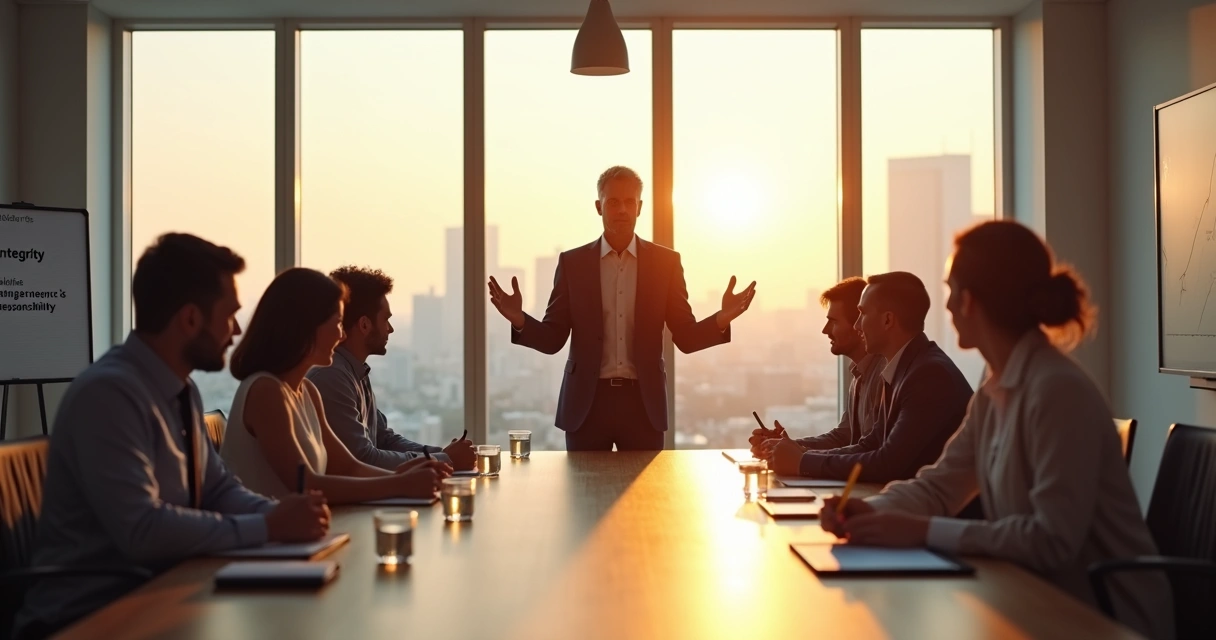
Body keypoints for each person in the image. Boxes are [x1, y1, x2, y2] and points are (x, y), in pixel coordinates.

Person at [820, 221, 1173, 640]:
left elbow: (1051, 540)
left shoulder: (1056, 390)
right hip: (1032, 598)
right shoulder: (996, 388)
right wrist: (872, 510)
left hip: (1101, 617)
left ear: (970, 301)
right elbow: (940, 487)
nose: (945, 308)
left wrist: (921, 530)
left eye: (951, 291)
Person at [13, 234, 330, 639]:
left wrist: (278, 513)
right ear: (191, 319)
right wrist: (269, 528)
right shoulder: (108, 395)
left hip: (164, 592)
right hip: (89, 616)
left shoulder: (181, 390)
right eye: (229, 314)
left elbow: (218, 490)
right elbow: (142, 530)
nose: (235, 330)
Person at [487, 165, 756, 451]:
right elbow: (553, 338)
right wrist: (519, 320)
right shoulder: (573, 264)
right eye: (613, 202)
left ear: (640, 207)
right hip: (586, 408)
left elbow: (686, 338)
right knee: (586, 494)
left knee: (645, 496)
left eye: (629, 202)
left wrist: (722, 319)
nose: (622, 209)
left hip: (643, 406)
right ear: (598, 206)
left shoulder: (666, 264)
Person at [220, 268, 450, 503]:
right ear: (307, 326)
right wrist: (400, 482)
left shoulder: (307, 392)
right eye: (338, 323)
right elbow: (306, 484)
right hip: (272, 537)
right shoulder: (265, 391)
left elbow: (350, 467)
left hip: (301, 533)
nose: (342, 336)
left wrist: (406, 476)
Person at [769, 272, 973, 483]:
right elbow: (870, 445)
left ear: (887, 320)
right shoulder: (903, 369)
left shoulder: (928, 375)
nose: (857, 326)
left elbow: (888, 463)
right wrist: (802, 456)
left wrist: (803, 462)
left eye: (862, 314)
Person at [308, 266, 476, 471]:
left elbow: (384, 438)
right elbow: (363, 459)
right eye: (386, 319)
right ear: (364, 325)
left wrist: (441, 454)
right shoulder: (332, 376)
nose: (391, 329)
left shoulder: (355, 371)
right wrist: (443, 459)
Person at [748, 277, 885, 458]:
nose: (825, 330)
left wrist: (801, 457)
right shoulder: (860, 373)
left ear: (857, 325)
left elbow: (870, 451)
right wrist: (784, 445)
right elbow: (843, 437)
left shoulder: (883, 375)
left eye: (833, 322)